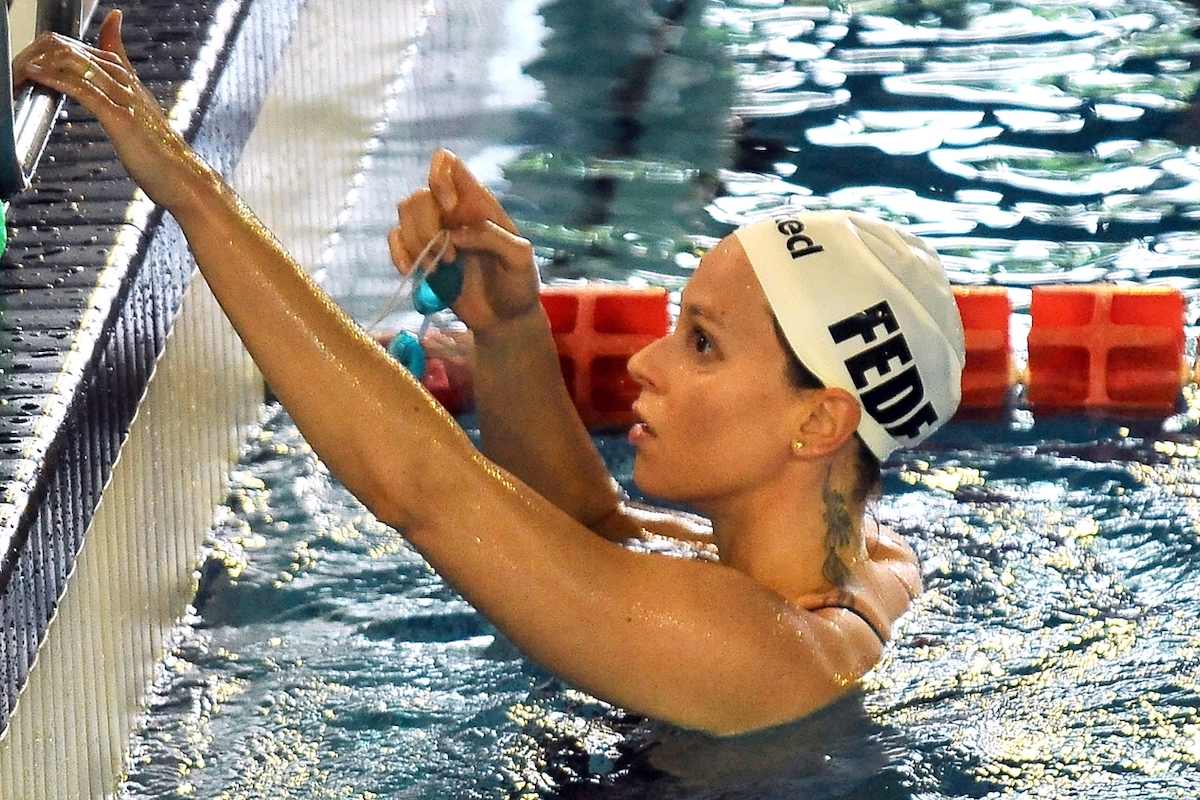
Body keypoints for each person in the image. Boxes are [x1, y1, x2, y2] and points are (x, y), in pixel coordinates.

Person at [14, 10, 965, 736]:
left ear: (820, 424)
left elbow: (428, 492)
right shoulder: (861, 569)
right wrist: (512, 328)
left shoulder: (758, 649)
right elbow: (588, 541)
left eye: (703, 344)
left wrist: (192, 189)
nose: (644, 361)